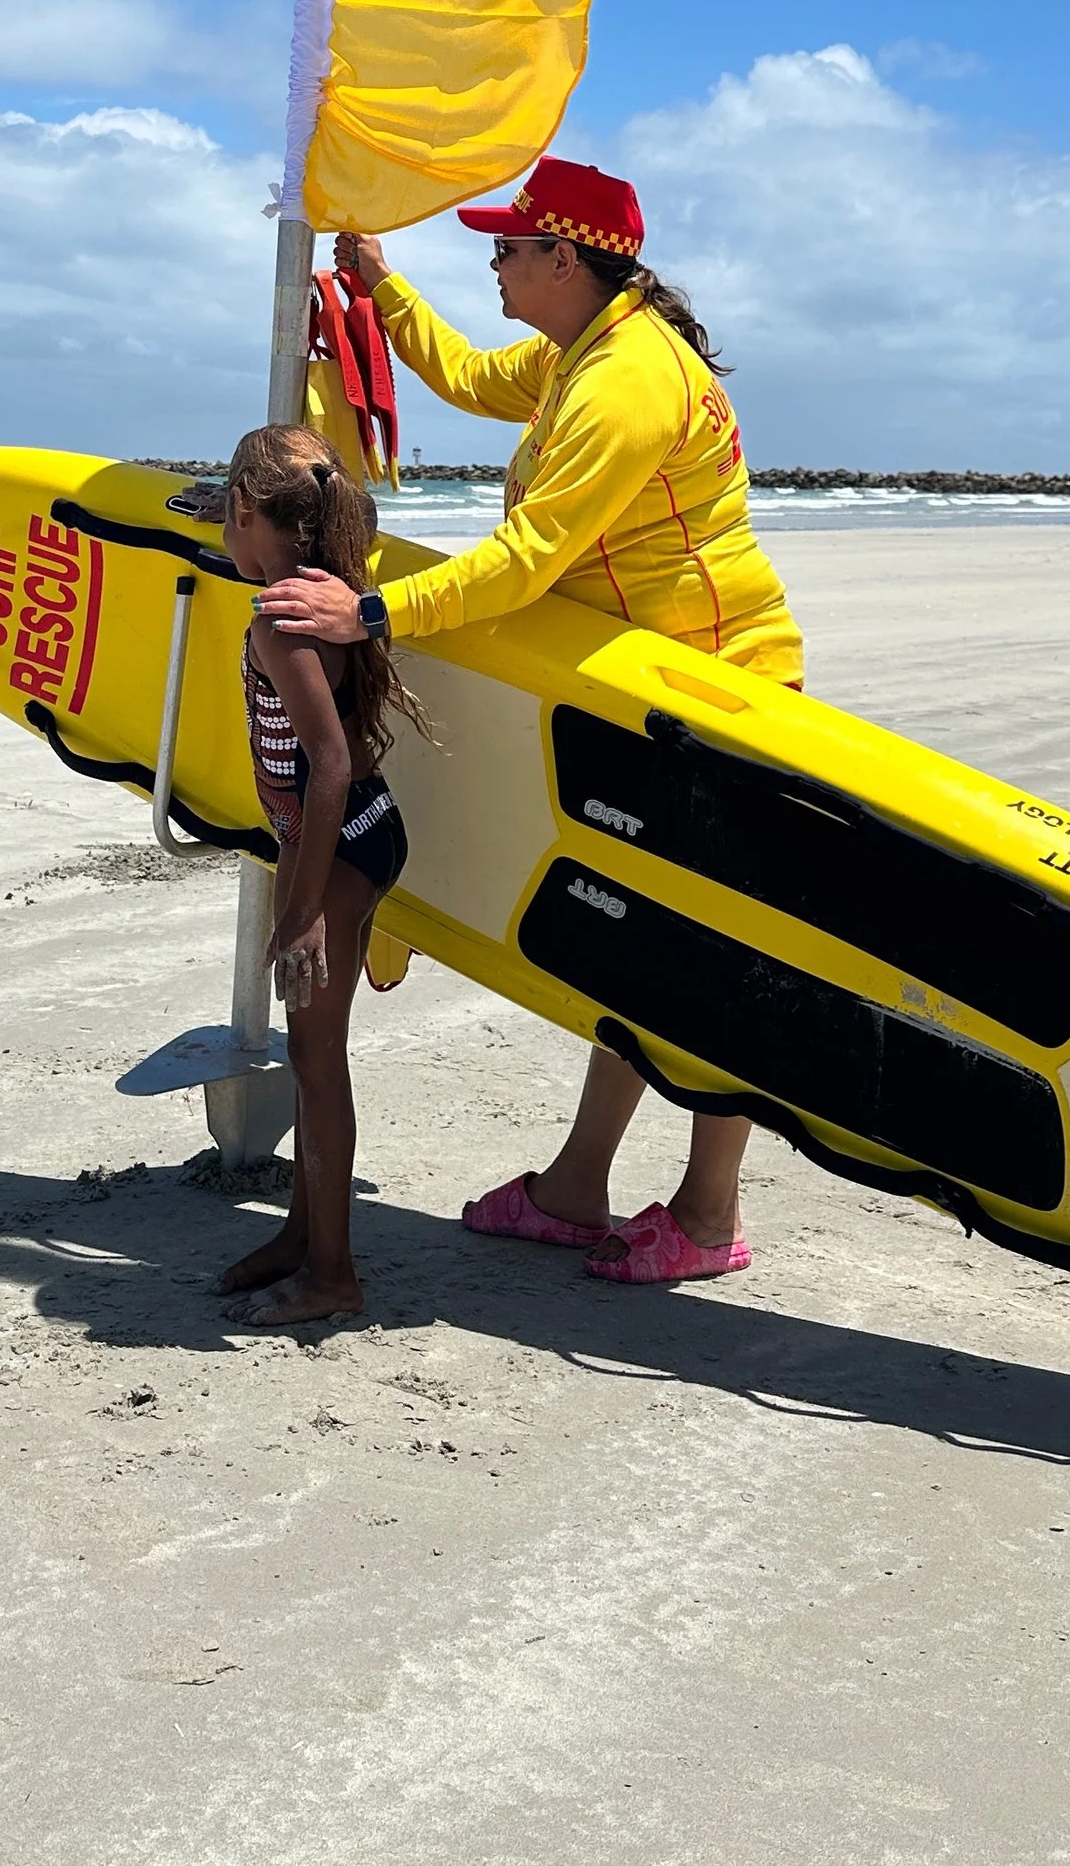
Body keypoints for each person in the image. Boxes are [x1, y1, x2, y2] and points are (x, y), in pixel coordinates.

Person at [258, 158, 803, 1287]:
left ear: (566, 258)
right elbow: (461, 374)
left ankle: (707, 1219)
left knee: (694, 953)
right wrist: (379, 285)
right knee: (631, 946)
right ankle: (576, 1188)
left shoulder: (624, 383)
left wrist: (368, 611)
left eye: (507, 249)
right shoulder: (583, 351)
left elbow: (524, 561)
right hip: (637, 684)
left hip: (713, 691)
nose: (494, 264)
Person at [216, 422, 420, 1327]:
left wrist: (299, 913)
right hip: (352, 837)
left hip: (335, 848)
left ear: (247, 513)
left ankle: (334, 1272)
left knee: (316, 1056)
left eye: (228, 510)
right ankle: (303, 1233)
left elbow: (328, 764)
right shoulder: (320, 594)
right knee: (310, 1053)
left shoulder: (282, 619)